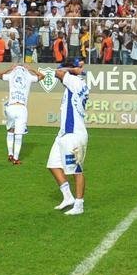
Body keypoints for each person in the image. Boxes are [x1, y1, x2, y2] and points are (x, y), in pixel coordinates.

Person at [48, 60, 90, 216]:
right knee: (53, 164)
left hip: (74, 134)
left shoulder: (74, 81)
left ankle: (79, 204)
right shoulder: (76, 84)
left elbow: (57, 72)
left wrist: (73, 70)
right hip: (64, 133)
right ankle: (68, 197)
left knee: (76, 170)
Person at [0, 62, 43, 164]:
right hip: (21, 108)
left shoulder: (11, 76)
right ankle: (16, 159)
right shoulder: (29, 77)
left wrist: (9, 68)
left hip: (11, 107)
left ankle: (10, 154)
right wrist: (32, 69)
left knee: (10, 131)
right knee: (19, 135)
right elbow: (42, 77)